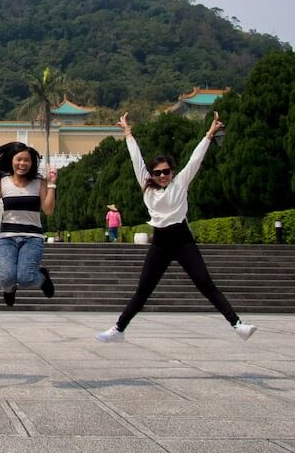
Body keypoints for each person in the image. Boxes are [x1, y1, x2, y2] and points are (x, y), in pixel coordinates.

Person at [96, 112, 255, 343]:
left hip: (183, 241)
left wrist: (210, 133)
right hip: (160, 243)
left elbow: (195, 160)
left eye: (166, 172)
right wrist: (127, 132)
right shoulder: (146, 187)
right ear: (152, 174)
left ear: (172, 172)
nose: (162, 176)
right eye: (158, 172)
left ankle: (237, 324)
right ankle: (119, 329)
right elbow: (136, 159)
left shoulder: (180, 183)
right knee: (143, 290)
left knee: (205, 283)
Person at [0, 141, 57, 306]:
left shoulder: (39, 182)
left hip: (33, 238)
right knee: (7, 279)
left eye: (27, 160)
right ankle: (9, 290)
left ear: (32, 163)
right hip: (7, 238)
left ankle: (43, 278)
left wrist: (52, 184)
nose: (22, 163)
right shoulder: (3, 182)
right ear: (11, 161)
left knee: (26, 279)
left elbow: (48, 210)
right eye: (19, 159)